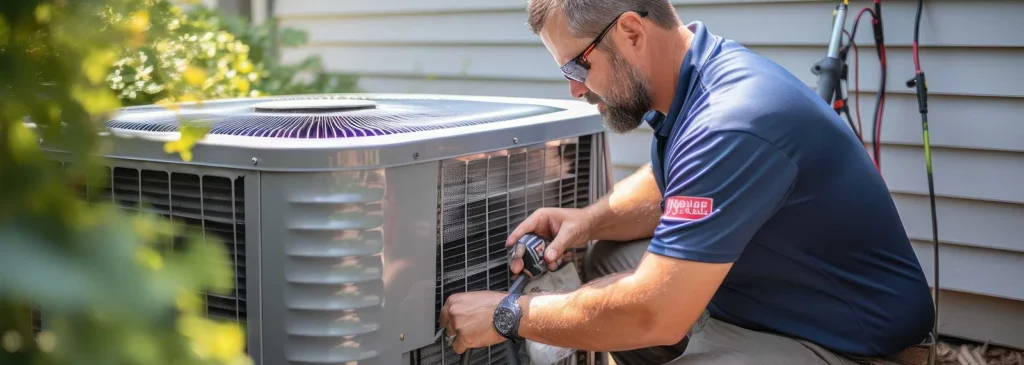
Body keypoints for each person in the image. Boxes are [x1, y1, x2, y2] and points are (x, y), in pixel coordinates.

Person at [438, 0, 936, 364]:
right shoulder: (697, 77)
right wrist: (588, 221)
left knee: (641, 312)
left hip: (846, 338)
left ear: (631, 31)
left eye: (577, 65)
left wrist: (509, 314)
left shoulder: (730, 121)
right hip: (766, 292)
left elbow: (656, 313)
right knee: (605, 257)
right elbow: (665, 184)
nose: (574, 87)